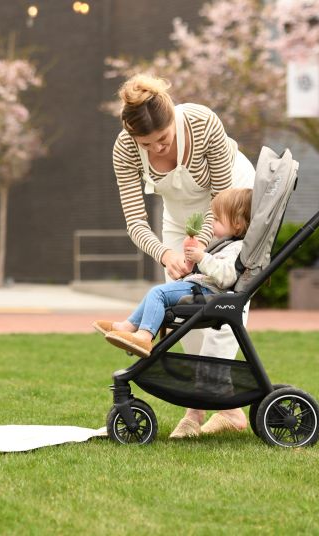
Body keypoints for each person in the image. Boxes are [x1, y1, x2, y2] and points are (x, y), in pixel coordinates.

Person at [97, 73, 254, 438]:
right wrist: (167, 254)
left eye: (162, 140)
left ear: (173, 121)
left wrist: (198, 251)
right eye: (145, 144)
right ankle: (228, 410)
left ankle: (195, 410)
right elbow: (135, 222)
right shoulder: (124, 148)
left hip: (230, 206)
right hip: (179, 219)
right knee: (185, 311)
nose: (155, 150)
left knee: (222, 304)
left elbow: (222, 203)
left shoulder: (201, 122)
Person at [99, 188, 251, 357]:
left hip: (208, 292)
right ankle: (128, 327)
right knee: (157, 294)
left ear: (237, 223)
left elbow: (226, 277)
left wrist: (202, 257)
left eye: (216, 219)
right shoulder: (229, 243)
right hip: (200, 287)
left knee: (158, 293)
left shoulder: (237, 248)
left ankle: (143, 336)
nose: (212, 223)